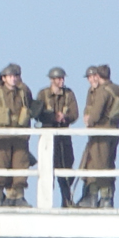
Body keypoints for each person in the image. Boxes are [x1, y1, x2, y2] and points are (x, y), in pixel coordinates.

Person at [79, 65, 119, 208]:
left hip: (101, 134)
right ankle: (103, 198)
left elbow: (95, 114)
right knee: (107, 163)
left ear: (98, 76)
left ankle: (102, 198)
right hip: (114, 131)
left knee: (98, 165)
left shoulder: (102, 91)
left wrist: (89, 120)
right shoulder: (118, 89)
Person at [0, 64, 36, 206]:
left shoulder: (23, 93)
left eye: (15, 76)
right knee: (1, 165)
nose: (13, 79)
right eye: (10, 76)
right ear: (4, 78)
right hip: (2, 137)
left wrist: (27, 134)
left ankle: (17, 196)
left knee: (20, 165)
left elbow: (29, 111)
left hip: (20, 136)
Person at [36, 67, 79, 207]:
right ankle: (46, 201)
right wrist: (52, 117)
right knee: (47, 168)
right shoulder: (43, 94)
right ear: (52, 80)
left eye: (62, 78)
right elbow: (37, 113)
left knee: (66, 167)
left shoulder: (69, 94)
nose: (61, 81)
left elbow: (75, 114)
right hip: (48, 136)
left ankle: (66, 200)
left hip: (64, 136)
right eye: (58, 79)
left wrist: (65, 117)